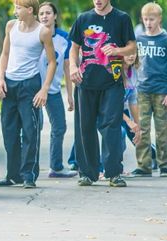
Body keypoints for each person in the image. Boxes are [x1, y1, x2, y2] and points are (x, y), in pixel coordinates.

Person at [69, 0, 136, 187]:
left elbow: (132, 47)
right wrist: (73, 66)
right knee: (85, 128)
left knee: (111, 127)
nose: (97, 0)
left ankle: (113, 173)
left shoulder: (122, 18)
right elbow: (74, 48)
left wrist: (117, 50)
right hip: (85, 82)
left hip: (112, 83)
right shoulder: (83, 18)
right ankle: (88, 173)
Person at [0, 0, 56, 188]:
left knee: (30, 131)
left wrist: (44, 89)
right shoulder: (11, 26)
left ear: (30, 10)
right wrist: (0, 79)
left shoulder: (43, 32)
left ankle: (28, 174)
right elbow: (4, 54)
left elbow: (52, 62)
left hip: (30, 85)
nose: (15, 11)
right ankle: (13, 175)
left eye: (18, 8)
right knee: (9, 132)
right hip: (10, 84)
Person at [38, 2, 77, 178]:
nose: (44, 16)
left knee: (59, 126)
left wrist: (70, 94)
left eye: (48, 13)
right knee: (31, 129)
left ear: (55, 16)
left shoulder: (64, 38)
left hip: (52, 89)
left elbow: (68, 67)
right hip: (32, 89)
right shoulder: (33, 34)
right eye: (41, 14)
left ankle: (56, 167)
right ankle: (27, 170)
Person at [131, 2, 167, 177]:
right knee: (142, 128)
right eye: (145, 19)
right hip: (143, 90)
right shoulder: (139, 40)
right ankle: (144, 165)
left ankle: (165, 165)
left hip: (162, 90)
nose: (148, 22)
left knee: (162, 129)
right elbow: (133, 61)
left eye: (152, 19)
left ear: (159, 19)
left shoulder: (166, 39)